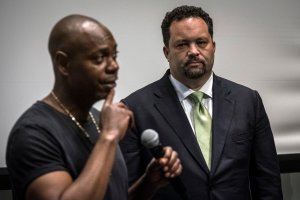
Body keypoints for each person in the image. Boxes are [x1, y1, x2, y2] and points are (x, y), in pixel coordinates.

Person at [6, 14, 182, 200]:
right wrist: (109, 138)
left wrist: (148, 183)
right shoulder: (33, 133)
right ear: (64, 64)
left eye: (114, 56)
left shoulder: (98, 119)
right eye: (100, 58)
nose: (114, 66)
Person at [120, 5, 283, 200]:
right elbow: (126, 190)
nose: (193, 51)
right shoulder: (134, 109)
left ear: (213, 46)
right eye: (182, 44)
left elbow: (267, 183)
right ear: (166, 52)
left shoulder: (248, 101)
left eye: (201, 42)